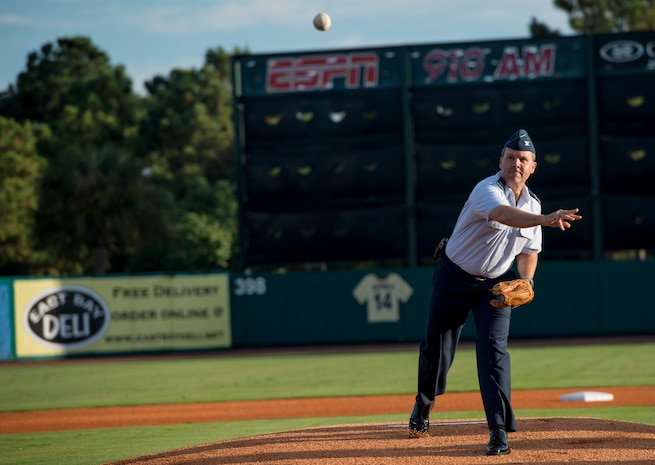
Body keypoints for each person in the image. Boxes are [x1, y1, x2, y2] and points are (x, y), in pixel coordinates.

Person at [408, 128, 582, 455]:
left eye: (523, 160)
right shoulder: (486, 189)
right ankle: (424, 402)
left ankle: (498, 430)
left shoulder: (532, 202)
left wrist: (527, 280)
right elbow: (503, 215)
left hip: (496, 283)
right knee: (438, 348)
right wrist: (545, 219)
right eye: (511, 157)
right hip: (454, 276)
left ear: (533, 167)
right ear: (500, 160)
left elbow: (530, 252)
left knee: (494, 354)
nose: (517, 163)